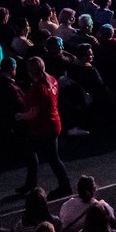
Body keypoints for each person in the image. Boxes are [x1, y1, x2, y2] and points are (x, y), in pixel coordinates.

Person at [15, 56, 72, 198]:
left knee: (50, 157)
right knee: (39, 154)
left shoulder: (37, 88)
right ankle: (32, 183)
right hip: (52, 122)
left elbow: (34, 113)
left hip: (44, 127)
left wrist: (20, 116)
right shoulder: (51, 80)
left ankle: (64, 185)